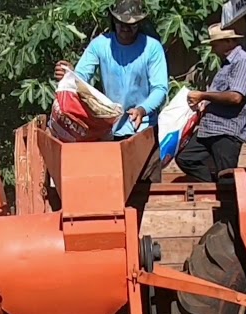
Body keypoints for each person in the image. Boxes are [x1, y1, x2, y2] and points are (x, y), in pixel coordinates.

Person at [54, 0, 169, 181]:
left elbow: (160, 89)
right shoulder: (100, 45)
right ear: (113, 20)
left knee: (147, 189)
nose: (125, 28)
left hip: (144, 130)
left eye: (131, 25)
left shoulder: (152, 48)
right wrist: (69, 74)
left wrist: (142, 109)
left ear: (139, 24)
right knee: (112, 185)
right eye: (121, 23)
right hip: (110, 129)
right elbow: (82, 77)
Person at [176, 24, 246, 183]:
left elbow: (235, 97)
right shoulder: (227, 64)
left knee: (226, 178)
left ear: (228, 42)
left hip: (226, 131)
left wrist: (203, 95)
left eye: (215, 44)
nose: (212, 48)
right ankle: (214, 186)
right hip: (210, 129)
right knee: (186, 158)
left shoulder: (242, 62)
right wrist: (205, 102)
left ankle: (226, 200)